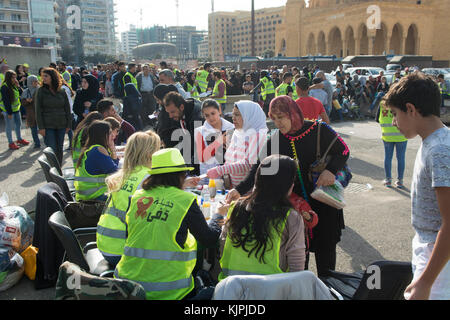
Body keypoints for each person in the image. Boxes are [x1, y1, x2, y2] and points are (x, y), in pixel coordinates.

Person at [226, 96, 350, 276]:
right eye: (273, 118)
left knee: (326, 260)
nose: (277, 123)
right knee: (299, 259)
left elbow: (344, 150)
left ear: (293, 114)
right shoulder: (276, 138)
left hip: (325, 203)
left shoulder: (319, 129)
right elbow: (258, 168)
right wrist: (239, 189)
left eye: (281, 117)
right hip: (295, 207)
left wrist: (331, 170)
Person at [114, 148, 228, 300]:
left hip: (127, 286)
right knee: (212, 289)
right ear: (179, 175)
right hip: (170, 291)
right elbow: (209, 238)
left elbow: (133, 234)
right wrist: (218, 215)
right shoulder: (185, 201)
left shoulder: (136, 197)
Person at [384, 73, 450, 300]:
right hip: (433, 252)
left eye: (394, 114)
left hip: (437, 258)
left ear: (411, 109)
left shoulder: (439, 151)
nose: (393, 122)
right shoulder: (436, 141)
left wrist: (425, 282)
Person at [218, 154, 306, 280]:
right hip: (273, 292)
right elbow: (297, 268)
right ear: (287, 186)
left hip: (231, 289)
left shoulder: (236, 207)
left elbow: (222, 245)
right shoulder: (291, 218)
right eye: (292, 181)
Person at [97, 130, 161, 267]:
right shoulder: (148, 178)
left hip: (106, 244)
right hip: (123, 250)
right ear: (150, 154)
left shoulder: (123, 174)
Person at [206, 100, 268, 188]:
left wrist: (219, 170)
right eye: (233, 114)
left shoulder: (258, 136)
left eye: (237, 115)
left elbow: (248, 164)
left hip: (249, 191)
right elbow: (229, 158)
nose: (233, 118)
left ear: (249, 116)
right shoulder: (237, 133)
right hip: (236, 189)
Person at [74, 120, 119, 202]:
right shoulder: (98, 150)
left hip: (86, 195)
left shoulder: (91, 148)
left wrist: (112, 150)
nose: (113, 136)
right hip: (95, 197)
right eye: (109, 133)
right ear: (102, 135)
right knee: (127, 196)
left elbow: (113, 167)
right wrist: (113, 150)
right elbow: (115, 173)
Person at [35, 68, 72, 164]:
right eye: (42, 76)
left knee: (59, 148)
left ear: (53, 77)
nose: (43, 78)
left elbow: (67, 109)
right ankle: (53, 168)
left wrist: (69, 124)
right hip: (48, 125)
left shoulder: (62, 91)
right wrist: (41, 127)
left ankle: (58, 169)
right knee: (52, 148)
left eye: (46, 76)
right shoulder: (41, 91)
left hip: (61, 124)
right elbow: (38, 110)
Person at [163, 91, 204, 175]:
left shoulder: (198, 118)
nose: (170, 116)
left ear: (181, 107)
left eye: (172, 112)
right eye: (168, 113)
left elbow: (195, 146)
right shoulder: (184, 111)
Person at [194, 99, 235, 176]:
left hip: (230, 175)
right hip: (209, 177)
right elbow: (202, 157)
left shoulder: (232, 128)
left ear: (219, 110)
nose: (211, 118)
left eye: (213, 113)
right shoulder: (199, 131)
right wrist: (218, 142)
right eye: (207, 115)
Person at [376, 100, 408, 189]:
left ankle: (388, 180)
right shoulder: (402, 102)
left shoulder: (382, 104)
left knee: (388, 157)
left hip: (387, 135)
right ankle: (400, 181)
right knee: (401, 158)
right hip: (401, 135)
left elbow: (377, 119)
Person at [1, 70, 29, 150]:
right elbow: (6, 101)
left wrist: (18, 86)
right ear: (8, 78)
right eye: (13, 77)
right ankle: (10, 143)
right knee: (9, 127)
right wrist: (9, 112)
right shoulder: (4, 87)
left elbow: (22, 94)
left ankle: (19, 139)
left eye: (15, 77)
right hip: (8, 110)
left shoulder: (14, 85)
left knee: (18, 125)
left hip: (16, 109)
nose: (14, 79)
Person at [20, 75, 41, 148]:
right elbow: (22, 103)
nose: (36, 83)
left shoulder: (40, 90)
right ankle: (37, 143)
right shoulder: (26, 91)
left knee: (43, 129)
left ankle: (47, 143)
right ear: (30, 82)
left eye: (36, 81)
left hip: (40, 113)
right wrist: (27, 101)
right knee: (33, 129)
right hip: (31, 114)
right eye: (34, 81)